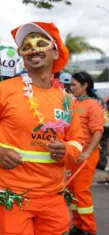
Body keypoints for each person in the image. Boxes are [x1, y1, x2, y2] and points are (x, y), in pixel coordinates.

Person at [0, 22, 84, 234]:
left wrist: (66, 150)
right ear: (22, 55)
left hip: (54, 195)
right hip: (14, 195)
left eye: (40, 43)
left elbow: (77, 141)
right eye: (26, 46)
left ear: (55, 51)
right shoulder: (2, 90)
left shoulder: (66, 99)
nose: (33, 50)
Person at [67, 72, 104, 235]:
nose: (71, 87)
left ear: (85, 85)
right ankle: (79, 225)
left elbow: (98, 131)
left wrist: (88, 152)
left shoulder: (93, 105)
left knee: (81, 191)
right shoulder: (71, 103)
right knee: (73, 190)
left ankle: (89, 228)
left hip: (87, 154)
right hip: (74, 154)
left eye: (74, 84)